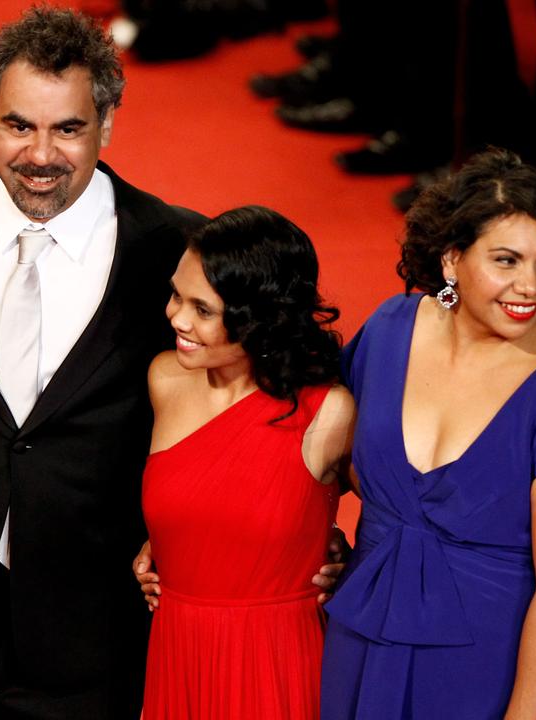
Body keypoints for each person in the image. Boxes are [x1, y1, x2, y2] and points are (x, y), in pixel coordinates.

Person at [0, 9, 340, 717]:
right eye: (19, 125)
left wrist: (318, 536)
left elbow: (262, 409)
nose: (41, 154)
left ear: (107, 124)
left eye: (69, 129)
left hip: (90, 634)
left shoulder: (172, 250)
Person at [320, 148, 536, 718]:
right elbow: (329, 459)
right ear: (452, 260)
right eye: (507, 261)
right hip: (364, 636)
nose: (531, 286)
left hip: (493, 665)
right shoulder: (391, 328)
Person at [141, 206, 353, 720]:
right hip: (177, 651)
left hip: (276, 663)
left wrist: (352, 565)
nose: (177, 318)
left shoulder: (328, 412)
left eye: (203, 309)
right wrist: (161, 540)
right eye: (176, 295)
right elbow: (197, 498)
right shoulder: (165, 379)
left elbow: (405, 514)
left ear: (260, 317)